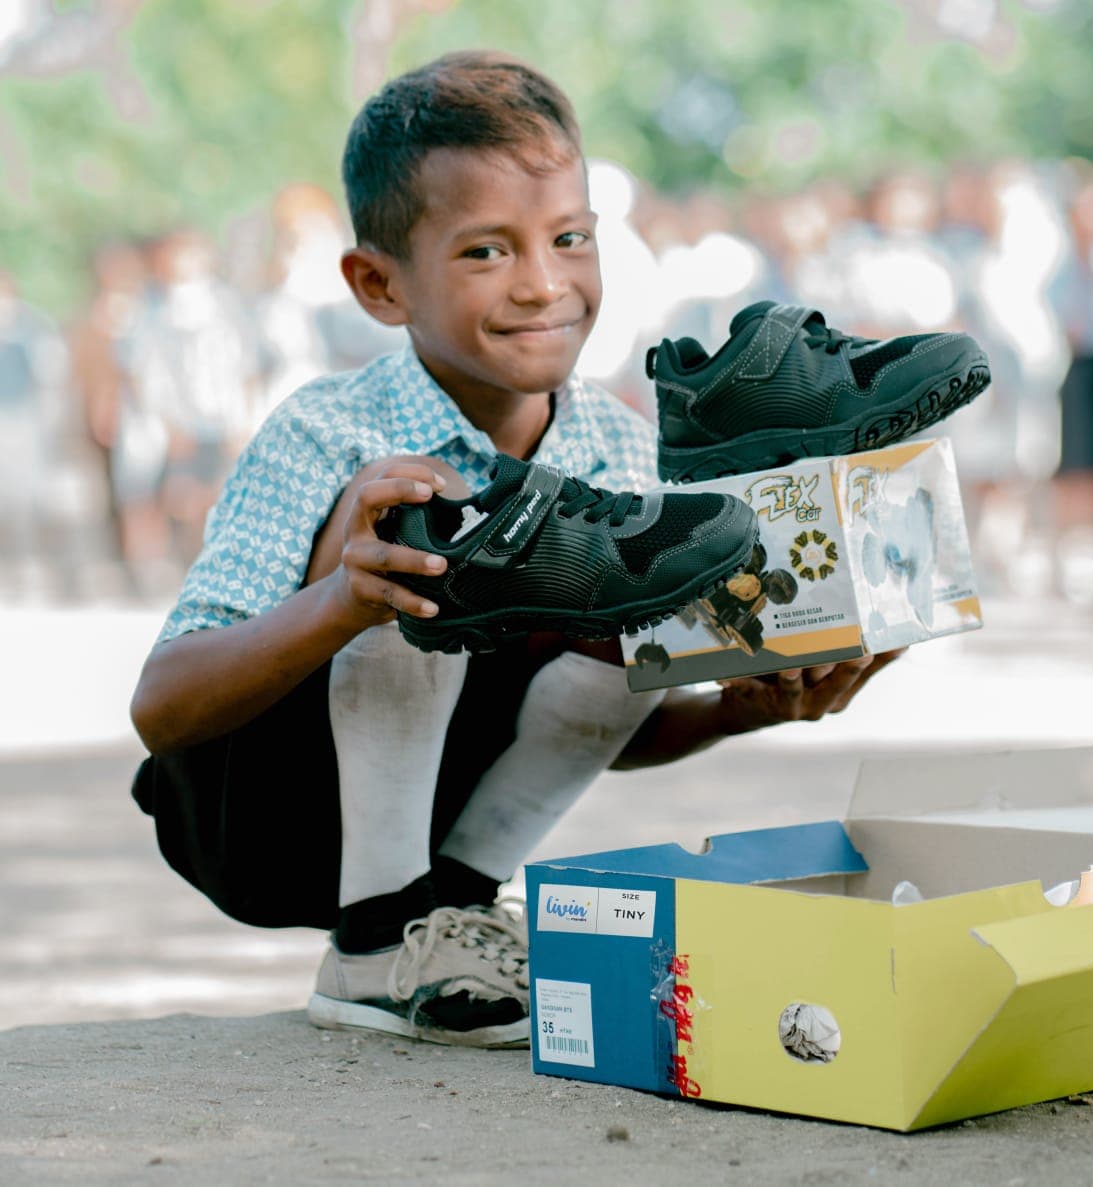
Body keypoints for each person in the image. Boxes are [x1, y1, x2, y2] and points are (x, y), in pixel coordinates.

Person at [129, 51, 901, 1049]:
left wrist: (734, 711)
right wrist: (344, 597)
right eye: (486, 251)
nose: (544, 285)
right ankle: (372, 943)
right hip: (261, 814)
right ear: (378, 283)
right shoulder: (325, 431)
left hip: (444, 808)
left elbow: (586, 708)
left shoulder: (621, 448)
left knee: (630, 565)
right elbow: (161, 704)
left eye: (569, 238)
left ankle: (448, 917)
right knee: (420, 512)